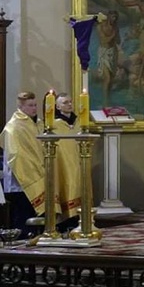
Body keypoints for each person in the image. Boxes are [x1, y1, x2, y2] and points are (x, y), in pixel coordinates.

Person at [0, 92, 44, 236]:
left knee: (35, 217)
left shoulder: (37, 123)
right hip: (20, 181)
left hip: (37, 174)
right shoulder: (13, 127)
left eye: (35, 105)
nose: (34, 108)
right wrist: (31, 172)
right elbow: (16, 155)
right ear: (21, 107)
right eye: (30, 105)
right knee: (22, 218)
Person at [53, 93, 83, 226]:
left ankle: (81, 217)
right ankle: (67, 220)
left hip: (79, 162)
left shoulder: (79, 122)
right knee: (67, 185)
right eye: (65, 102)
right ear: (58, 106)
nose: (69, 104)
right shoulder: (54, 124)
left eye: (70, 102)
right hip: (63, 164)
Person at [96, 10, 121, 107]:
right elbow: (104, 40)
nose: (114, 19)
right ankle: (105, 101)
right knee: (107, 78)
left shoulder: (115, 28)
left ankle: (109, 97)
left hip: (113, 52)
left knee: (112, 78)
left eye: (115, 17)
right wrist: (113, 35)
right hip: (104, 53)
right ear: (108, 17)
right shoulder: (101, 27)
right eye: (112, 17)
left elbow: (118, 41)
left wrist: (117, 34)